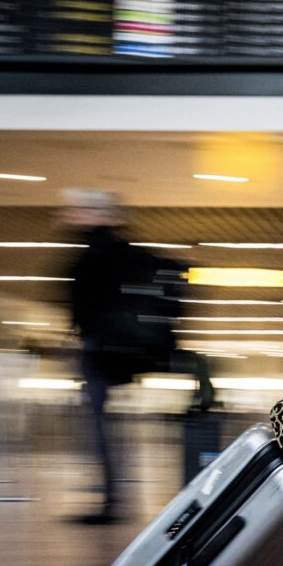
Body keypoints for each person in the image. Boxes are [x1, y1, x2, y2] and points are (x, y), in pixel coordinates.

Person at [60, 189, 214, 524]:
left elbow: (80, 304)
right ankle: (193, 367)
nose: (71, 215)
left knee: (97, 421)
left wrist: (83, 328)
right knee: (105, 420)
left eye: (79, 210)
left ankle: (112, 499)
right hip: (142, 348)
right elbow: (177, 275)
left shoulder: (90, 255)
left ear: (99, 215)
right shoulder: (136, 254)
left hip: (103, 351)